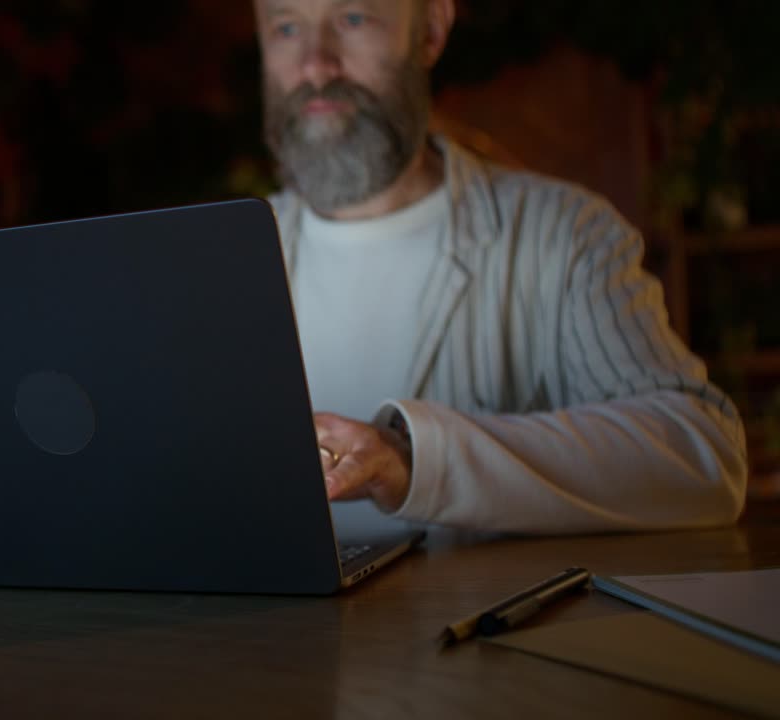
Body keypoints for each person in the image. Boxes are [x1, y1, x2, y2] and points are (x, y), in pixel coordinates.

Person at [254, 0, 748, 532]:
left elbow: (706, 459)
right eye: (285, 28)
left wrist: (413, 456)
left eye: (353, 19)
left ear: (432, 30)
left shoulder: (563, 235)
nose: (316, 64)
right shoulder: (219, 274)